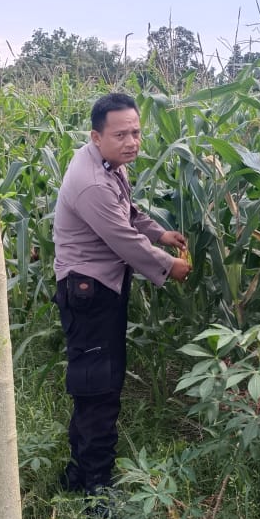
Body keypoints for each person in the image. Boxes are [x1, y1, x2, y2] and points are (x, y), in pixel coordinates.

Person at [52, 92, 191, 498]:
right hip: (89, 291)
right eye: (121, 135)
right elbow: (123, 239)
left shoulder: (107, 164)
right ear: (96, 137)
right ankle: (97, 487)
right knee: (99, 386)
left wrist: (160, 233)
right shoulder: (93, 183)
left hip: (99, 286)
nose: (132, 142)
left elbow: (126, 213)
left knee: (93, 381)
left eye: (136, 133)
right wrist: (169, 265)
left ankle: (78, 474)